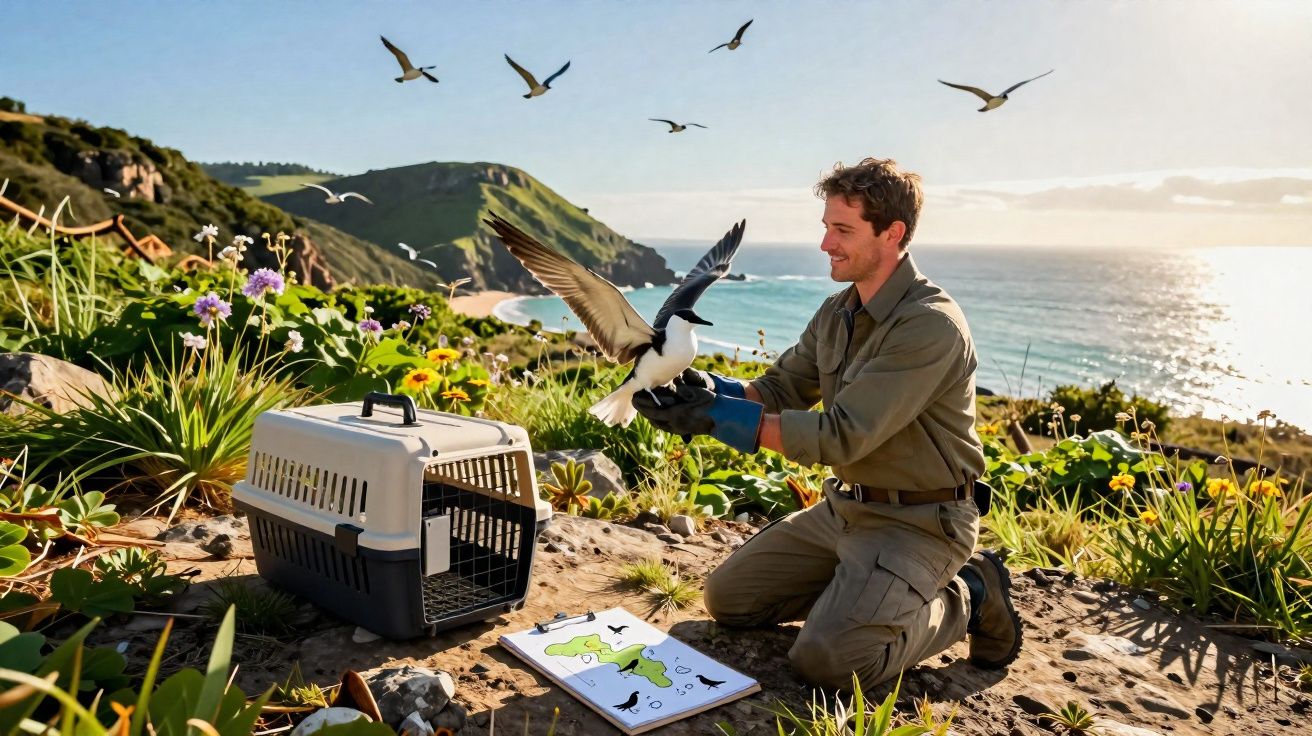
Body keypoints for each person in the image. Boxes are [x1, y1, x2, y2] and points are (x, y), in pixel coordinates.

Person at [632, 158, 1022, 690]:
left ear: (893, 233)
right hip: (845, 509)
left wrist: (714, 418)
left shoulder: (929, 325)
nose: (825, 245)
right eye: (826, 227)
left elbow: (840, 435)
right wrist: (702, 389)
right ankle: (863, 595)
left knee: (828, 661)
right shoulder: (838, 310)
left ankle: (971, 594)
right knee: (729, 600)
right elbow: (777, 389)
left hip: (921, 521)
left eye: (843, 230)